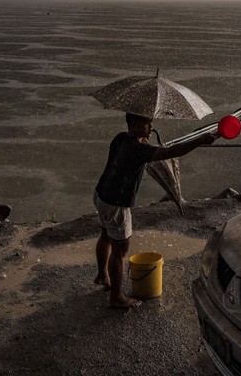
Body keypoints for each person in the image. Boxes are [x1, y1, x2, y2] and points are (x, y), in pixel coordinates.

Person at [93, 112, 217, 308]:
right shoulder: (137, 149)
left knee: (106, 235)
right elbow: (169, 153)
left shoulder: (120, 138)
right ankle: (116, 297)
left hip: (101, 194)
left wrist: (144, 138)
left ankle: (102, 275)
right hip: (116, 203)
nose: (151, 127)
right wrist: (199, 140)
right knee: (120, 250)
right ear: (134, 124)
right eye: (146, 123)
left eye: (151, 123)